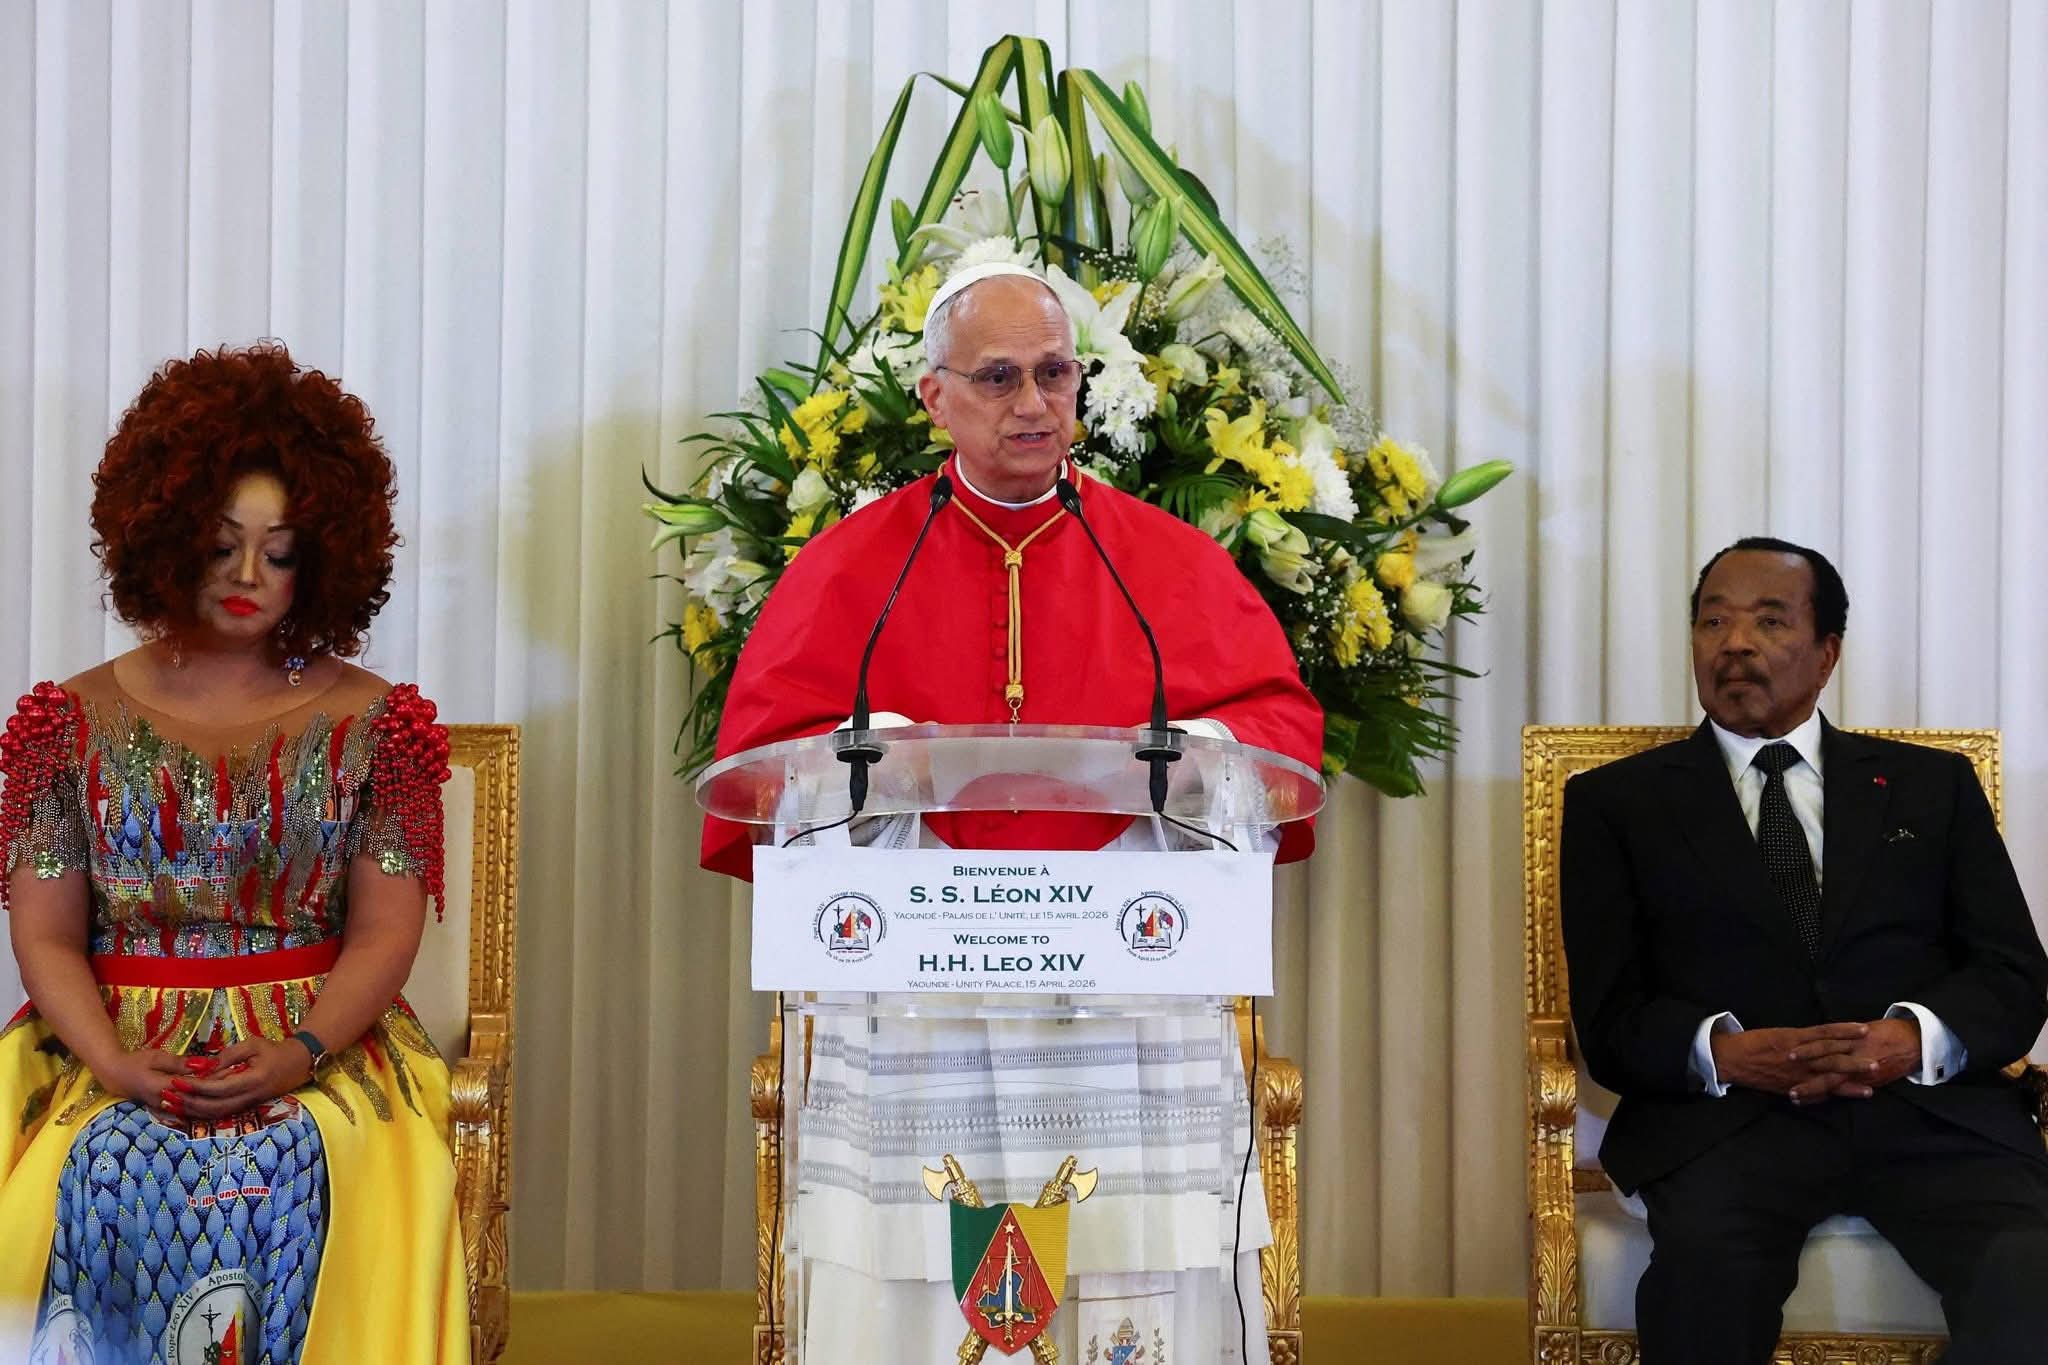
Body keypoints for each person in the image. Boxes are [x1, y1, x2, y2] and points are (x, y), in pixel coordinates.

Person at [704, 264, 1323, 1362]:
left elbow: (1276, 733)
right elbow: (759, 768)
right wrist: (872, 764)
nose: (1032, 402)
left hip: (1123, 989)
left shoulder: (1166, 562)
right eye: (997, 377)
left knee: (1123, 1271)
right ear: (934, 397)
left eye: (1053, 373)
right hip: (921, 987)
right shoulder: (855, 567)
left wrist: (1198, 759)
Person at [0, 343, 468, 1362]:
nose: (250, 575)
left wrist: (299, 1052)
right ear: (164, 536)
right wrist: (116, 1063)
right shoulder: (63, 721)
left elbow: (387, 933)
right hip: (108, 1049)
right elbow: (44, 936)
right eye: (221, 545)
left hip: (323, 1048)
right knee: (93, 1164)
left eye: (281, 551)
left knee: (295, 1156)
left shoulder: (380, 724)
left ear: (325, 556)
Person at [1562, 536, 2048, 1364]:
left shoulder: (1932, 786)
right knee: (1703, 1284)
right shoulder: (1618, 803)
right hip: (1728, 1126)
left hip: (1926, 1117)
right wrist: (1724, 1052)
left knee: (2032, 1269)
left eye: (1768, 621)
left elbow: (2013, 975)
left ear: (1826, 653)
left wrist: (1911, 1039)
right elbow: (1610, 1019)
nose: (1734, 643)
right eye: (1713, 621)